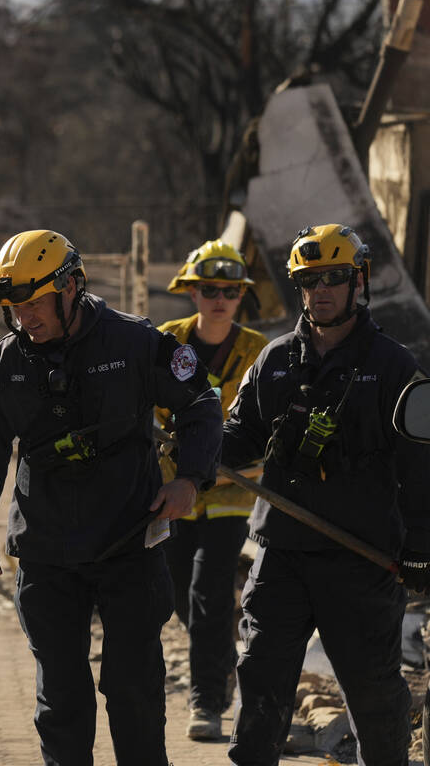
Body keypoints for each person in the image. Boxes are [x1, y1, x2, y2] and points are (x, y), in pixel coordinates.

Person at [0, 229, 223, 765]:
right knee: (61, 699)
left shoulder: (135, 343)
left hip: (129, 543)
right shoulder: (5, 363)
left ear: (72, 286)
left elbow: (202, 404)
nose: (24, 316)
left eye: (34, 302)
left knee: (132, 690)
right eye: (13, 306)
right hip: (46, 551)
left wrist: (189, 479)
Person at [221, 223, 430, 765]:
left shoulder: (394, 366)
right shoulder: (272, 362)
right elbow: (237, 439)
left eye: (335, 278)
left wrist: (421, 548)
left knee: (376, 699)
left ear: (358, 281)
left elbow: (420, 467)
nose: (322, 290)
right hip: (282, 557)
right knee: (261, 688)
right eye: (309, 280)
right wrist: (194, 446)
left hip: (362, 561)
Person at [155, 240, 269, 741]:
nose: (219, 298)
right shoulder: (165, 343)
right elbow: (148, 408)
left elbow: (267, 427)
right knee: (179, 592)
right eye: (209, 289)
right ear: (191, 292)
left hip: (230, 494)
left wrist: (222, 468)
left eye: (229, 290)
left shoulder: (260, 354)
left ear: (241, 295)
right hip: (175, 495)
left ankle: (208, 701)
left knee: (210, 589)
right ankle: (220, 659)